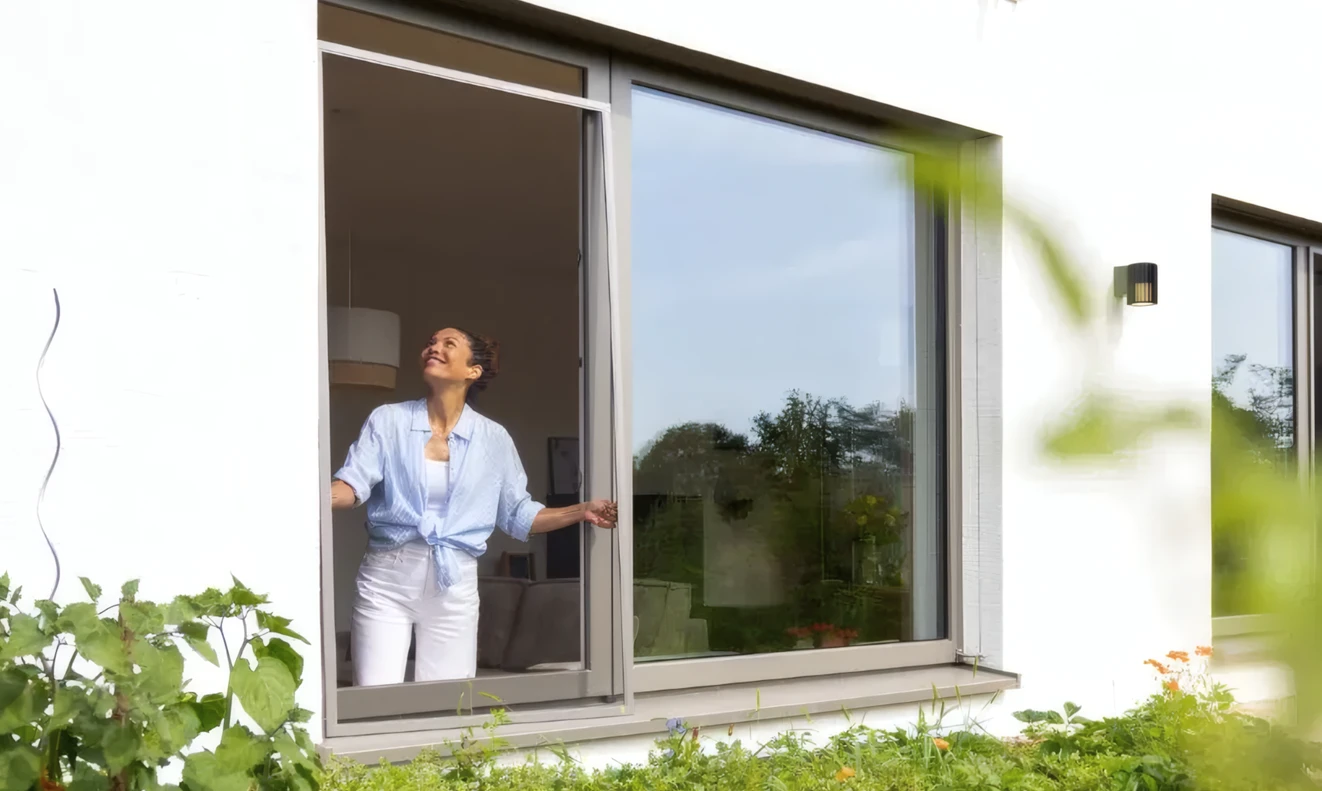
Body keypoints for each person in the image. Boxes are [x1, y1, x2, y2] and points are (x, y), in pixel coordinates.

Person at [331, 327, 617, 687]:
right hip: (387, 579)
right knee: (374, 696)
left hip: (455, 584)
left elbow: (518, 515)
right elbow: (352, 485)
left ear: (473, 371)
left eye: (448, 344)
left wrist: (581, 510)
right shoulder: (389, 421)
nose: (433, 348)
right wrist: (311, 497)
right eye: (431, 342)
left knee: (448, 705)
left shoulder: (493, 439)